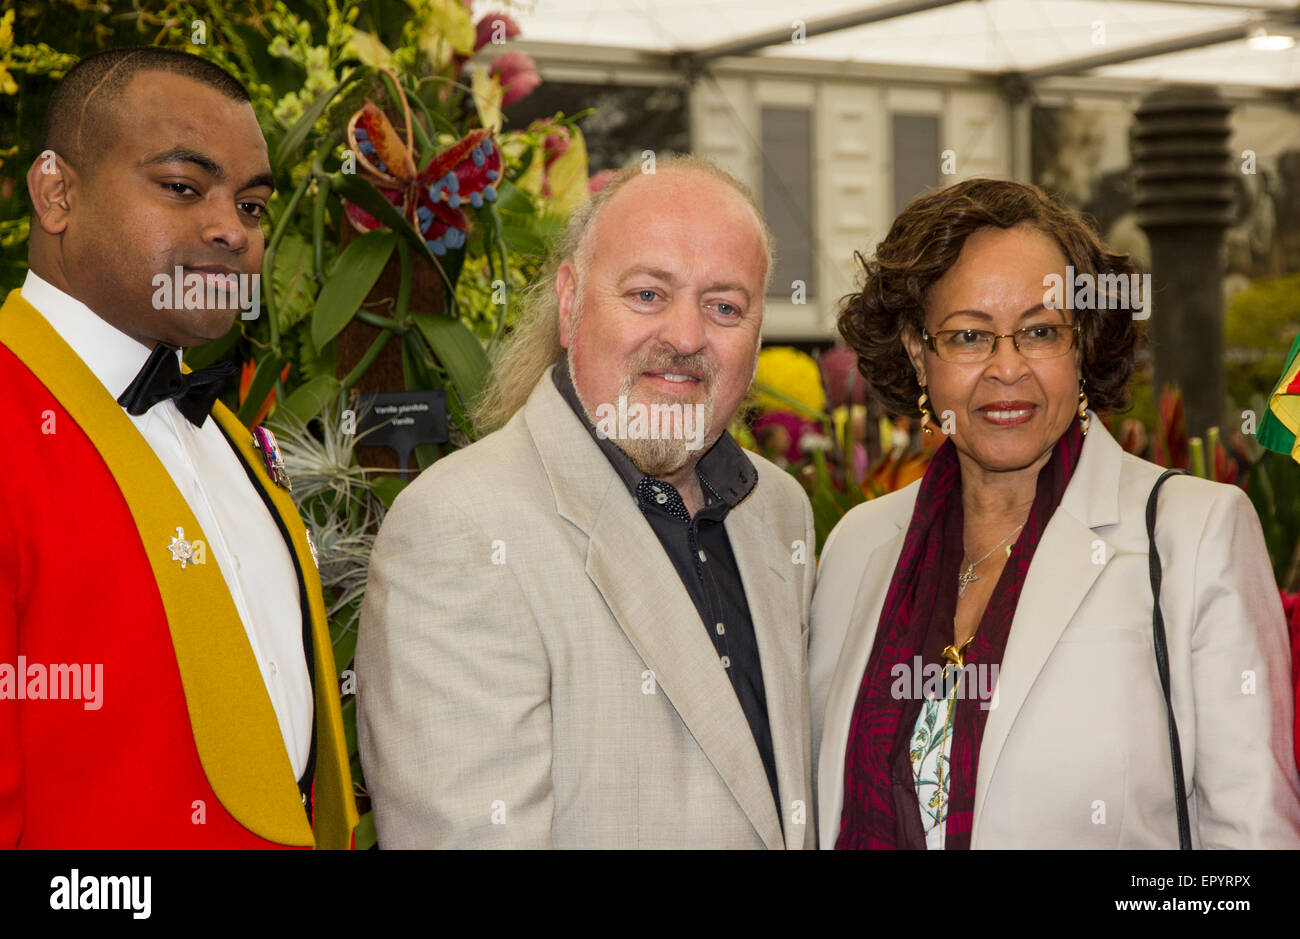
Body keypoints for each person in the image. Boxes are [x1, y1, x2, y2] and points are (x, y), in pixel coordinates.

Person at [810, 177, 1300, 849]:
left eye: (1040, 331)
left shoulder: (1195, 534)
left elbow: (1252, 842)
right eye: (968, 336)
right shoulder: (855, 548)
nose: (1006, 368)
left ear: (1083, 344)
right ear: (918, 354)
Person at [357, 155, 816, 848]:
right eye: (647, 294)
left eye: (724, 306)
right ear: (569, 304)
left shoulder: (778, 510)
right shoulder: (461, 529)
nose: (686, 338)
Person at [0, 47, 356, 848]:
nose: (232, 229)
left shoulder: (225, 428)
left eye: (254, 206)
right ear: (57, 193)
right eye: (183, 188)